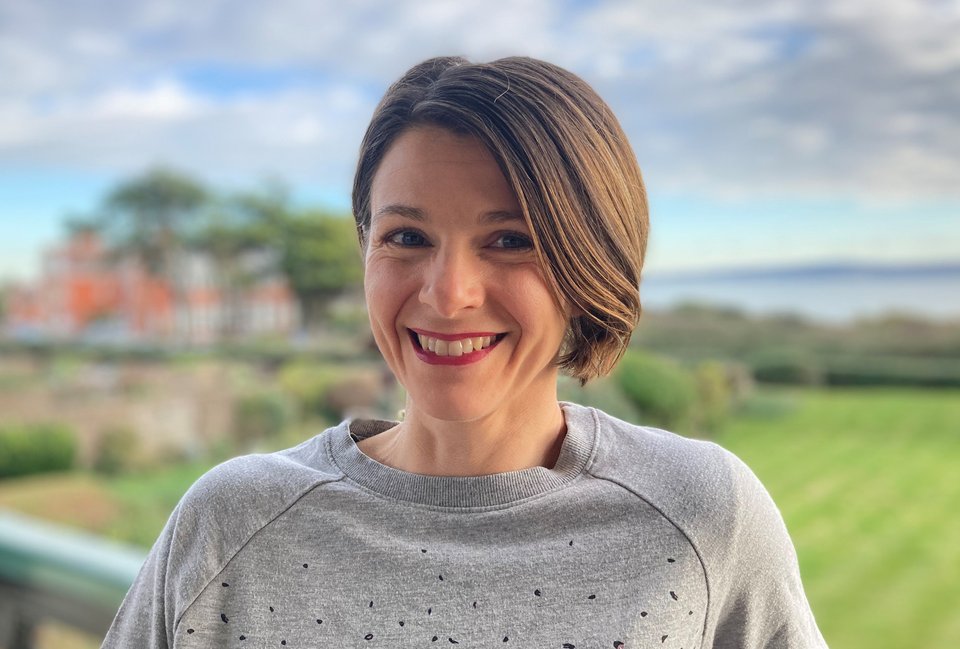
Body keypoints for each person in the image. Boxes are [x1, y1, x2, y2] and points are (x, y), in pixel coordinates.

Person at [102, 56, 827, 648]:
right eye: (407, 237)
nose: (449, 294)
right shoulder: (231, 524)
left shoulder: (704, 515)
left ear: (590, 263)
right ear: (365, 253)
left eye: (509, 240)